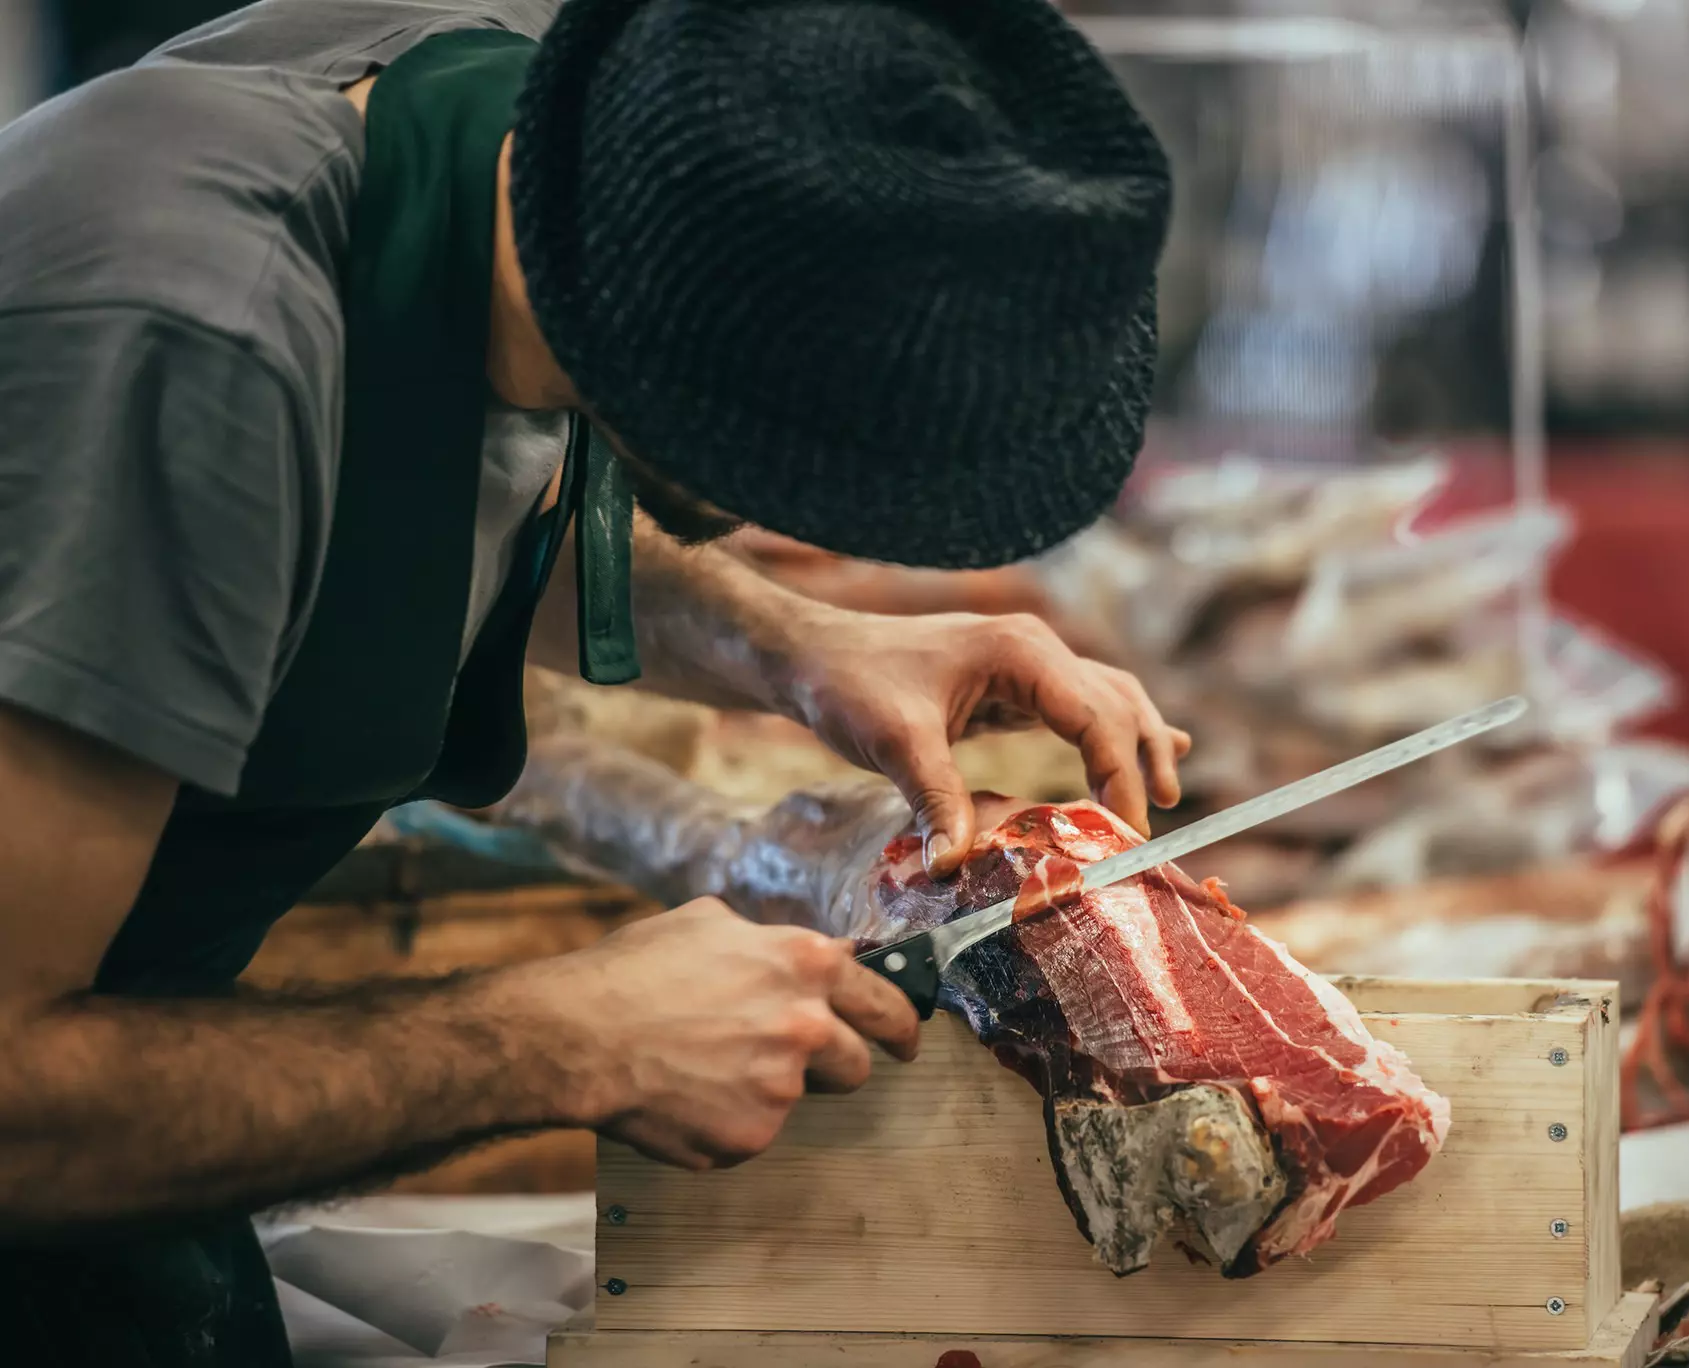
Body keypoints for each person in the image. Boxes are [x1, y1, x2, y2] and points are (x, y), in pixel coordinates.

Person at [0, 0, 1182, 1361]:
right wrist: (555, 1040)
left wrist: (797, 648)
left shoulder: (528, 151)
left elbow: (380, 490)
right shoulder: (185, 326)